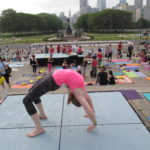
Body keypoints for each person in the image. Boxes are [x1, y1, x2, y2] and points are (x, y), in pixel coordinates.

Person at [23, 69, 97, 137]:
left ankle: (39, 128)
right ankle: (42, 115)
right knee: (32, 92)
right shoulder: (81, 87)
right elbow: (88, 99)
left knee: (26, 100)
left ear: (76, 97)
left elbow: (88, 110)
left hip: (52, 81)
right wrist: (93, 110)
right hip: (52, 75)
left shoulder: (78, 93)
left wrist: (94, 124)